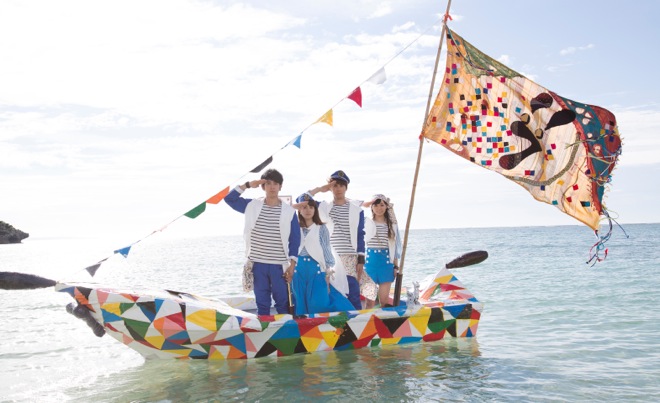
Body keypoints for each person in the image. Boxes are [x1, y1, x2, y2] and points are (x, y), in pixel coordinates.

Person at [224, 169, 300, 316]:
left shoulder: (289, 212)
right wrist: (247, 185)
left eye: (276, 183)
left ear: (280, 186)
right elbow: (229, 199)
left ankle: (285, 329)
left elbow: (295, 240)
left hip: (279, 265)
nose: (272, 187)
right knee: (262, 304)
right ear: (263, 186)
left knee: (282, 303)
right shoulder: (252, 205)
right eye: (268, 183)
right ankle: (264, 330)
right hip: (258, 264)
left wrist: (292, 266)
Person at [301, 170, 366, 310]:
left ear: (346, 187)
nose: (338, 189)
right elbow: (303, 199)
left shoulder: (357, 210)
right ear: (330, 188)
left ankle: (357, 321)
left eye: (341, 185)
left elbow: (360, 234)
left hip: (350, 256)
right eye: (335, 185)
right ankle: (337, 321)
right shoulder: (324, 207)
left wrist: (361, 259)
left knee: (353, 292)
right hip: (330, 256)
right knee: (333, 292)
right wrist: (320, 189)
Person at [292, 193, 354, 315]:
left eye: (311, 207)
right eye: (304, 207)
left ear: (315, 209)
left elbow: (326, 250)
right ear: (299, 209)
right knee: (300, 305)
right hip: (298, 270)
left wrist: (327, 273)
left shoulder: (321, 228)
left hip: (316, 269)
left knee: (319, 304)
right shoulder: (294, 227)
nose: (308, 210)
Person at [363, 194, 402, 308]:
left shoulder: (391, 225)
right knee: (369, 301)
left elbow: (395, 247)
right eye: (375, 205)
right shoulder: (366, 223)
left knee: (384, 301)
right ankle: (368, 319)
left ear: (386, 207)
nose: (379, 208)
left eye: (382, 205)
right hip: (369, 265)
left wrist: (395, 267)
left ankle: (383, 319)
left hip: (386, 265)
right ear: (371, 207)